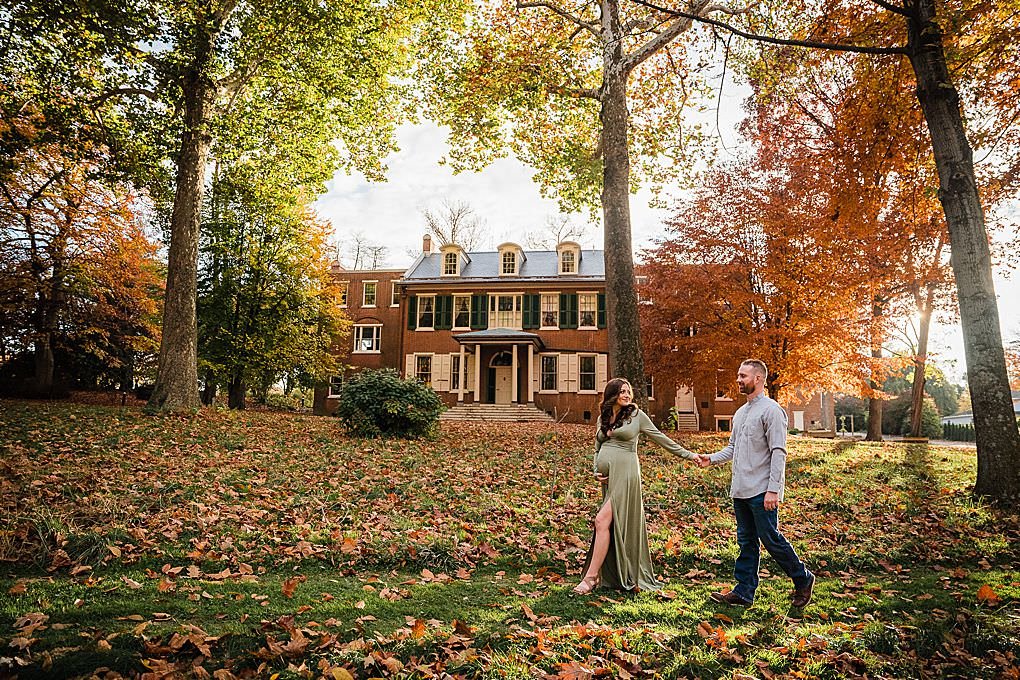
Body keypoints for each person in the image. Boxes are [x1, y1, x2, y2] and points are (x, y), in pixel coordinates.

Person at [694, 359, 815, 608]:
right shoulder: (740, 412)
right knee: (746, 541)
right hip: (740, 489)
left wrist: (774, 489)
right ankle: (744, 592)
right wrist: (711, 459)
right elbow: (733, 448)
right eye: (739, 375)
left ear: (758, 378)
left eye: (743, 376)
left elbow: (779, 452)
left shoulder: (772, 410)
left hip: (762, 490)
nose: (738, 380)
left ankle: (802, 578)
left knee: (770, 538)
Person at [572, 377, 699, 595]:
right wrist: (596, 470)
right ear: (612, 394)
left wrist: (690, 455)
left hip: (627, 474)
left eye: (628, 391)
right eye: (622, 391)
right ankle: (612, 574)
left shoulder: (636, 416)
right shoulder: (604, 418)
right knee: (609, 524)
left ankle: (591, 578)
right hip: (609, 478)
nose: (627, 395)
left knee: (601, 520)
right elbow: (597, 448)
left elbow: (661, 438)